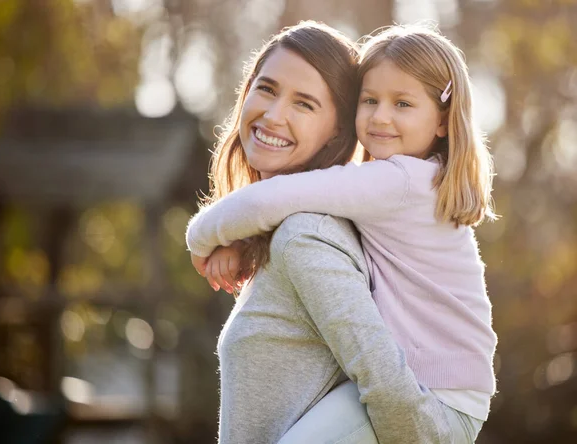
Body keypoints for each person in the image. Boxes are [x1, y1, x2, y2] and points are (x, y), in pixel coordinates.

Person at [186, 23, 498, 443]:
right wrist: (242, 241)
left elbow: (273, 200)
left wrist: (200, 238)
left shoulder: (388, 186)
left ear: (443, 120)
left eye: (402, 103)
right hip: (446, 385)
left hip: (435, 395)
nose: (381, 116)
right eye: (370, 100)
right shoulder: (392, 190)